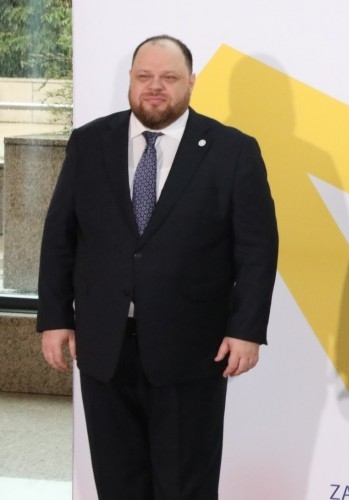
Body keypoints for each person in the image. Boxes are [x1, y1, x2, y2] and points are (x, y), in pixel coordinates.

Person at [37, 35, 279, 500]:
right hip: (103, 348)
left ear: (191, 82)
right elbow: (60, 237)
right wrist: (55, 318)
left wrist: (246, 329)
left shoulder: (232, 151)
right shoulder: (90, 143)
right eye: (144, 76)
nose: (155, 87)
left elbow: (257, 249)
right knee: (117, 483)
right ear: (130, 80)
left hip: (192, 351)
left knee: (184, 486)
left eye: (168, 77)